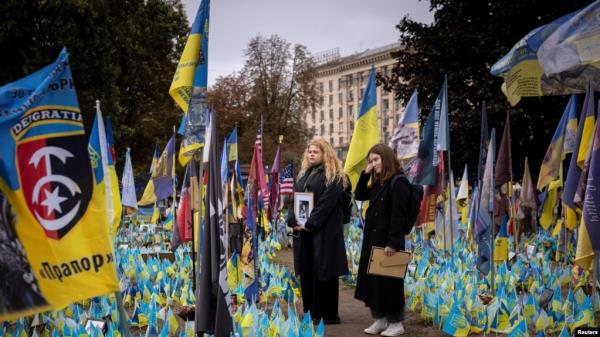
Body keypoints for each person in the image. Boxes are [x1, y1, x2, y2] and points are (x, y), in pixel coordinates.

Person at [286, 137, 349, 324]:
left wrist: (310, 223)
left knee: (324, 272)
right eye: (310, 151)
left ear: (325, 153)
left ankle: (327, 314)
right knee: (307, 270)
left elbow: (326, 204)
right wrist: (292, 219)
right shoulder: (304, 174)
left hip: (325, 233)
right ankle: (311, 311)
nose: (311, 154)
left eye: (316, 151)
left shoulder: (334, 175)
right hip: (305, 234)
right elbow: (294, 199)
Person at [354, 144, 412, 336]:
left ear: (386, 159)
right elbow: (359, 194)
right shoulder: (378, 181)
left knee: (390, 283)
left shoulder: (398, 182)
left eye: (376, 160)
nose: (373, 164)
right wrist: (366, 172)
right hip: (373, 239)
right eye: (371, 161)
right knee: (373, 282)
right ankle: (379, 319)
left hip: (388, 241)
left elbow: (399, 215)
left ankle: (396, 323)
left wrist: (393, 242)